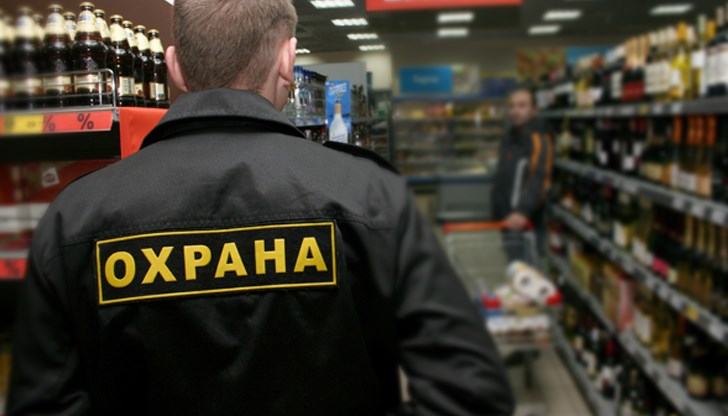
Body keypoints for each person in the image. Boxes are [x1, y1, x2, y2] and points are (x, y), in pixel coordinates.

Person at [7, 1, 514, 415]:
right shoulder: (372, 196)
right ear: (288, 60)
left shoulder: (75, 218)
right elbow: (471, 392)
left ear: (175, 66)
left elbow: (43, 403)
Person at [491, 87, 553, 260]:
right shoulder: (508, 138)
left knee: (527, 269)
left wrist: (522, 211)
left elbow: (539, 178)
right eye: (512, 106)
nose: (515, 110)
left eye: (522, 106)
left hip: (526, 220)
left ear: (534, 111)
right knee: (514, 265)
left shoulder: (539, 139)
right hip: (506, 218)